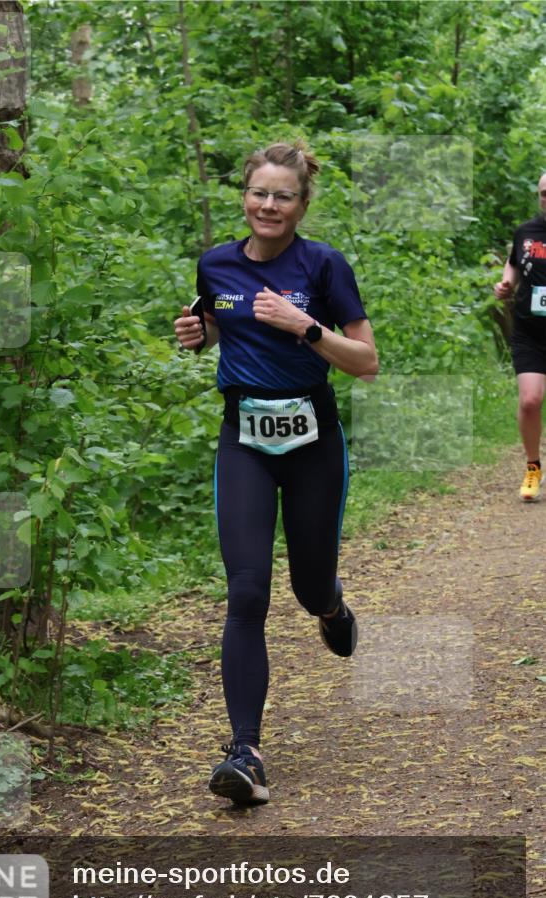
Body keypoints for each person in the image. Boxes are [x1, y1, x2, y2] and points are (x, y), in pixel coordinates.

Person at [173, 141, 378, 806]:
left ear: (300, 203)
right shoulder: (216, 262)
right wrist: (196, 336)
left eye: (282, 196)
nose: (268, 205)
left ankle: (329, 603)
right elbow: (212, 323)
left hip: (313, 441)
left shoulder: (323, 265)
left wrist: (306, 327)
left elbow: (365, 362)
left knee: (306, 582)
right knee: (246, 591)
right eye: (259, 193)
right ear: (244, 197)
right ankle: (245, 754)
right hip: (244, 442)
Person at [493, 173, 546, 501]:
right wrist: (505, 283)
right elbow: (513, 265)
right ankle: (532, 467)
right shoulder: (526, 232)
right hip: (530, 332)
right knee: (529, 401)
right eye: (543, 194)